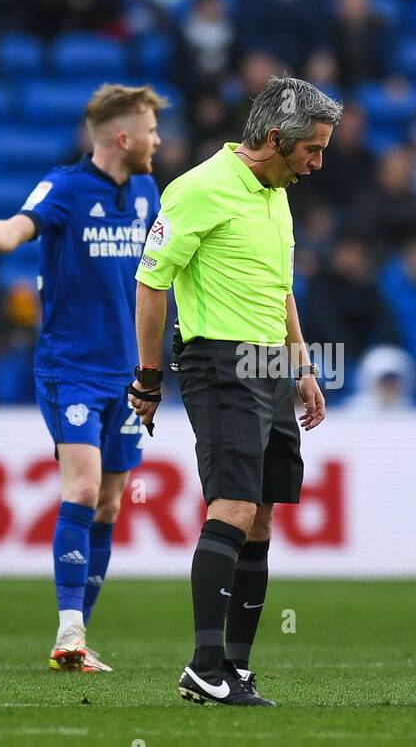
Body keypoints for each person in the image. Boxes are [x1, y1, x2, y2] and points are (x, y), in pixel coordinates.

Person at [130, 75, 338, 706]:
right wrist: (147, 377)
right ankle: (202, 665)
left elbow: (279, 289)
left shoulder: (277, 192)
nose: (318, 163)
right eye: (312, 150)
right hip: (219, 363)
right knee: (234, 506)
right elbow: (150, 283)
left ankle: (235, 667)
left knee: (263, 512)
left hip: (270, 365)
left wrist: (301, 366)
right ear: (275, 138)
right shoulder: (196, 189)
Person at [0, 84, 166, 673]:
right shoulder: (65, 187)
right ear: (123, 138)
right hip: (70, 369)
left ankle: (79, 638)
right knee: (80, 489)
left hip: (128, 374)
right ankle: (68, 633)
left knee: (108, 504)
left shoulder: (149, 192)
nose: (158, 140)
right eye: (151, 131)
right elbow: (23, 223)